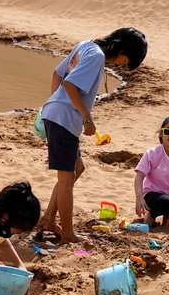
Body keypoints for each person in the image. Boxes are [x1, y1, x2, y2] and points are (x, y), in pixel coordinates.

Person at [37, 27, 148, 244]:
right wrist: (86, 117)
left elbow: (57, 74)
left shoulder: (85, 45)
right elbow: (69, 84)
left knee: (77, 168)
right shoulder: (97, 56)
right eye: (126, 59)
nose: (121, 64)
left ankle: (49, 218)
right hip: (65, 119)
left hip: (58, 114)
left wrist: (54, 103)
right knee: (66, 179)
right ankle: (68, 234)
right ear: (122, 48)